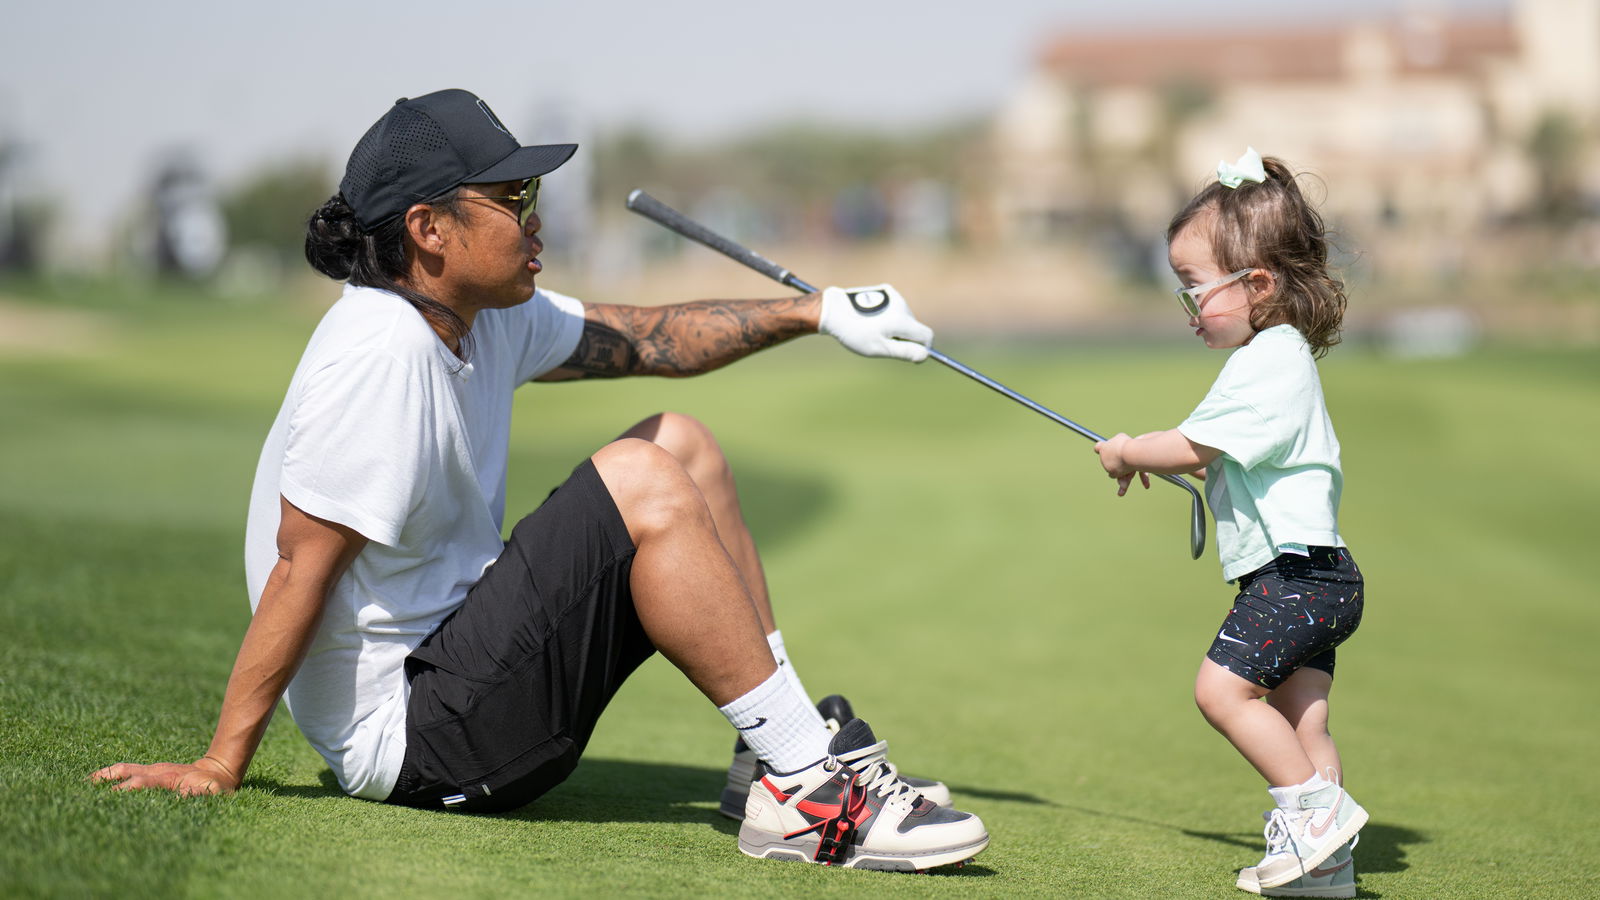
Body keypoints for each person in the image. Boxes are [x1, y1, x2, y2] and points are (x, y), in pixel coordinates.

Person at [90, 89, 988, 873]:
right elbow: (298, 568)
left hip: (462, 668)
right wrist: (221, 762)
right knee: (641, 476)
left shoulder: (475, 314)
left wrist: (816, 311)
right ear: (428, 230)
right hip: (414, 738)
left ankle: (774, 757)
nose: (535, 221)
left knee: (683, 445)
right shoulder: (382, 352)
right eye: (512, 198)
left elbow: (645, 340)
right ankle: (812, 794)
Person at [1092, 148, 1366, 896]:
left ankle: (1313, 816)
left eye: (1193, 287)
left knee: (1221, 693)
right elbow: (1223, 457)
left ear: (1258, 284)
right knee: (1303, 723)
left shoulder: (1268, 360)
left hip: (1292, 579)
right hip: (1322, 579)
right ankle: (1327, 866)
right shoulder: (1278, 358)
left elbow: (1191, 445)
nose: (1186, 307)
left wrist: (1127, 451)